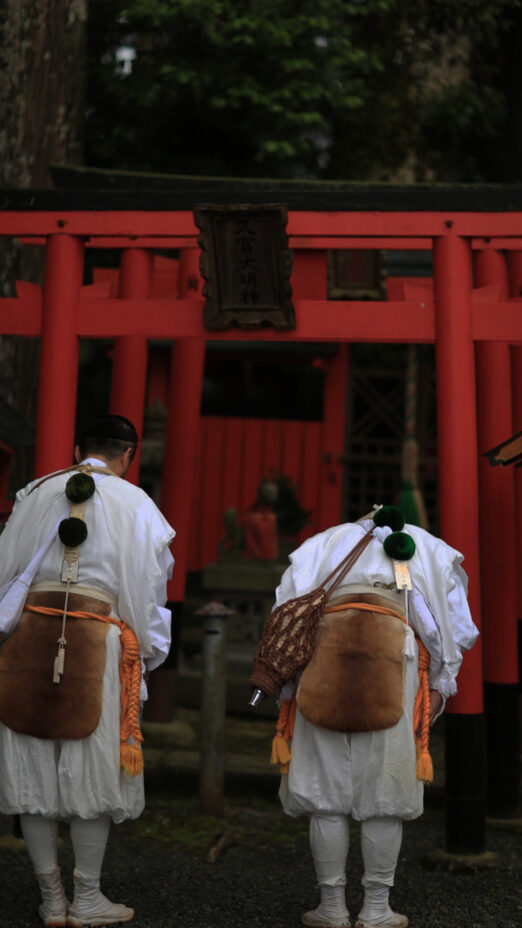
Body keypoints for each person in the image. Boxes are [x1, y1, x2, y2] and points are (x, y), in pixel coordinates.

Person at [254, 507, 478, 928]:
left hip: (323, 660)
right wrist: (440, 680)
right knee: (384, 798)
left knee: (325, 797)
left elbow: (283, 613)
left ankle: (332, 907)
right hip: (395, 660)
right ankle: (376, 908)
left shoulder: (319, 545)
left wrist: (286, 686)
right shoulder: (429, 547)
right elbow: (456, 629)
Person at [0, 415, 175, 927]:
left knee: (31, 763)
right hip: (98, 637)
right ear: (129, 456)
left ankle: (51, 898)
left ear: (78, 448)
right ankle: (88, 897)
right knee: (94, 767)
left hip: (30, 632)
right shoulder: (137, 503)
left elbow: (5, 565)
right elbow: (147, 589)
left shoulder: (36, 493)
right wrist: (146, 651)